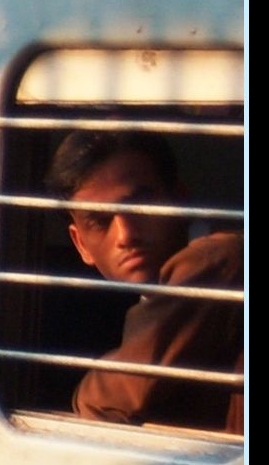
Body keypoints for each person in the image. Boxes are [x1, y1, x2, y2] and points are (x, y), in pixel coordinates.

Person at [48, 128, 242, 432]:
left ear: (180, 202)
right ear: (81, 244)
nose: (126, 235)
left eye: (139, 207)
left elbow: (106, 399)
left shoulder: (223, 259)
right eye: (100, 220)